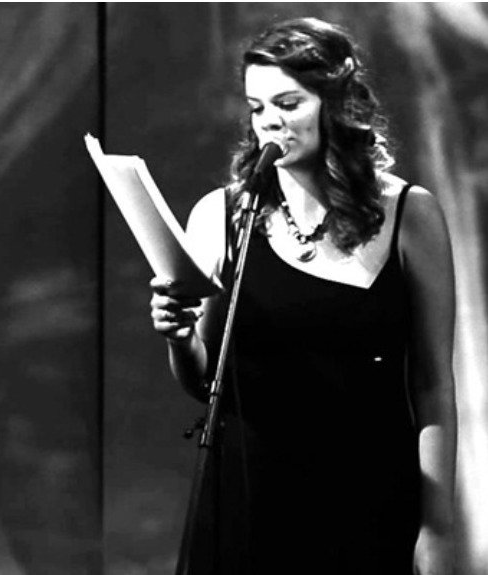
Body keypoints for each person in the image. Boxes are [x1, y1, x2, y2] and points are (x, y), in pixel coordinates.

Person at [149, 17, 457, 574]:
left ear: (334, 104)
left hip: (366, 504)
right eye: (257, 107)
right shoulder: (223, 216)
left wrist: (435, 529)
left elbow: (432, 387)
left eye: (288, 103)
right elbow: (205, 383)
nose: (269, 121)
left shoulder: (410, 214)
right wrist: (178, 337)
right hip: (247, 502)